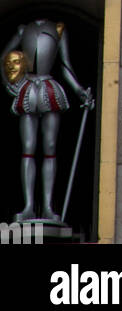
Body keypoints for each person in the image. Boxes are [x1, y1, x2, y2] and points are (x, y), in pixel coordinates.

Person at [2, 19, 93, 225]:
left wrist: (79, 90)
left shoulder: (59, 29)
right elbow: (3, 58)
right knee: (28, 147)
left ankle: (48, 206)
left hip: (48, 86)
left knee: (50, 146)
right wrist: (8, 83)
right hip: (27, 87)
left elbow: (65, 65)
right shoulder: (22, 29)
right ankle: (28, 206)